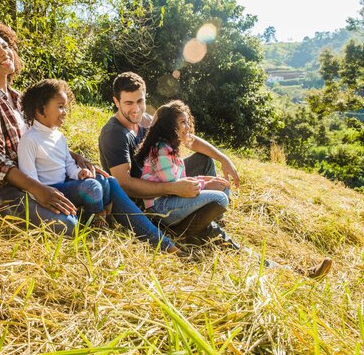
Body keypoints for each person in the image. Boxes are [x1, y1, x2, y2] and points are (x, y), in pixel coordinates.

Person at [0, 20, 180, 254]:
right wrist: (38, 189)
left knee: (107, 181)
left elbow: (42, 137)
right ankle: (89, 217)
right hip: (2, 185)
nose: (4, 53)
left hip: (39, 173)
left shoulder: (19, 98)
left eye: (5, 46)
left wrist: (74, 156)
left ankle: (161, 242)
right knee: (66, 226)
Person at [99, 72, 332, 278]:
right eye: (129, 103)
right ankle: (289, 273)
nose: (136, 108)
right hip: (154, 206)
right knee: (222, 239)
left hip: (166, 181)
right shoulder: (114, 134)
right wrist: (174, 188)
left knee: (204, 160)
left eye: (140, 101)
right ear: (116, 101)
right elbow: (125, 186)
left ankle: (207, 218)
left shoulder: (145, 120)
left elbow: (188, 139)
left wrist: (225, 159)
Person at [17, 79, 112, 227]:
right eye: (60, 107)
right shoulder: (29, 139)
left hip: (66, 185)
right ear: (41, 108)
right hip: (50, 192)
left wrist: (78, 173)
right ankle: (95, 225)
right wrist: (42, 196)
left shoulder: (59, 136)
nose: (65, 112)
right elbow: (30, 178)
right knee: (92, 187)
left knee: (102, 181)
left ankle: (102, 215)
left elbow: (68, 163)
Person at [135, 100, 232, 228]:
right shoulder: (161, 151)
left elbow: (181, 180)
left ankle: (213, 222)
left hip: (173, 198)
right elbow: (176, 187)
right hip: (161, 208)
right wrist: (206, 185)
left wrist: (205, 179)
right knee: (221, 198)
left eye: (187, 121)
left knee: (222, 186)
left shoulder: (171, 147)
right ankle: (195, 228)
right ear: (170, 126)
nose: (187, 126)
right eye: (182, 122)